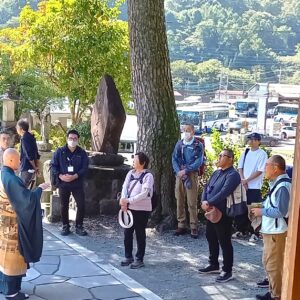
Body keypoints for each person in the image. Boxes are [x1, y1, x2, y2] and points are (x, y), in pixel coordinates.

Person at [0, 148, 49, 300]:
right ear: (11, 160)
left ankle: (4, 286)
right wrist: (39, 189)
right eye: (18, 158)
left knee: (3, 257)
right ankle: (12, 292)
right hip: (13, 226)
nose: (20, 160)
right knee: (13, 258)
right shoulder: (11, 179)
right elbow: (26, 201)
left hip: (3, 224)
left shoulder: (4, 175)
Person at [251, 155, 291, 300]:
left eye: (266, 165)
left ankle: (276, 295)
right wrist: (263, 206)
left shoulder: (282, 186)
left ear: (275, 168)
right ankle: (273, 292)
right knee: (269, 263)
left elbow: (281, 211)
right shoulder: (279, 184)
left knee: (274, 265)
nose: (264, 169)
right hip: (273, 232)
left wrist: (262, 211)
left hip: (277, 232)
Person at [199, 149, 240, 283]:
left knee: (224, 241)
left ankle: (227, 270)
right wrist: (204, 201)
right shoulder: (216, 172)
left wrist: (209, 201)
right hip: (211, 210)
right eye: (219, 155)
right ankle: (213, 264)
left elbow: (224, 192)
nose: (220, 157)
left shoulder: (233, 175)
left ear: (230, 159)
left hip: (224, 213)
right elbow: (207, 187)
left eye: (223, 156)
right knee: (210, 236)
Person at [119, 152, 154, 269]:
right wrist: (124, 200)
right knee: (127, 233)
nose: (133, 161)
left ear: (143, 163)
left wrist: (129, 200)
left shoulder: (148, 176)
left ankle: (139, 258)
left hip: (141, 210)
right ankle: (128, 256)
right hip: (128, 208)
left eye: (136, 160)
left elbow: (144, 194)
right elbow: (124, 187)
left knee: (140, 233)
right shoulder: (130, 173)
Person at [51, 129, 89, 236]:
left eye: (75, 139)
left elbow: (85, 167)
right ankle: (65, 226)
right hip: (63, 183)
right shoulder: (59, 151)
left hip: (77, 183)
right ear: (67, 139)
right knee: (64, 205)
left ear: (78, 140)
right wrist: (60, 176)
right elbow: (53, 166)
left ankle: (79, 226)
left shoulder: (82, 153)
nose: (72, 140)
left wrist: (75, 176)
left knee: (81, 205)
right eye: (71, 138)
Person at [234, 132, 268, 242]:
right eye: (250, 139)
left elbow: (260, 170)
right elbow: (240, 167)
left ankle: (255, 232)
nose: (251, 141)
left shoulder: (262, 154)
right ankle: (241, 229)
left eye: (254, 139)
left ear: (259, 141)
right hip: (243, 185)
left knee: (254, 208)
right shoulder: (246, 152)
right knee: (241, 207)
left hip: (255, 186)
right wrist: (243, 180)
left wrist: (247, 180)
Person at [172, 124, 203, 238]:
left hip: (191, 174)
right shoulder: (179, 144)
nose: (186, 133)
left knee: (192, 201)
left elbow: (199, 161)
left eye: (188, 130)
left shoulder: (197, 145)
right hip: (179, 175)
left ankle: (194, 226)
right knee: (179, 199)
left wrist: (186, 170)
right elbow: (174, 158)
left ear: (193, 132)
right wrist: (178, 171)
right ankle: (181, 224)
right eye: (184, 130)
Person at [16, 119, 40, 188]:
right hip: (31, 168)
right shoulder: (31, 136)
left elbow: (29, 155)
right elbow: (36, 153)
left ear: (21, 129)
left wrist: (35, 167)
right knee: (26, 189)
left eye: (17, 128)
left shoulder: (24, 138)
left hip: (27, 168)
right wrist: (36, 166)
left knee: (21, 189)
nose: (16, 129)